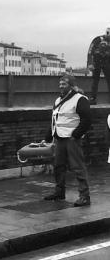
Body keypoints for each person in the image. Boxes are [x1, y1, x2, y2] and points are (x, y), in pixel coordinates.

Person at [42, 74, 92, 207]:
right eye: (60, 84)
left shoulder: (80, 99)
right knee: (58, 166)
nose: (60, 86)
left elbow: (87, 120)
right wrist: (47, 137)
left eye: (63, 84)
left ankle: (84, 196)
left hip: (71, 139)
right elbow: (55, 121)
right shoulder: (58, 100)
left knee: (78, 167)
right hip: (59, 138)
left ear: (71, 85)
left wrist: (76, 135)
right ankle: (59, 192)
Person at [87, 27, 110, 105]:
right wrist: (90, 63)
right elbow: (90, 51)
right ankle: (93, 98)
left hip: (107, 62)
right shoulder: (97, 39)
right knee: (95, 81)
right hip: (97, 61)